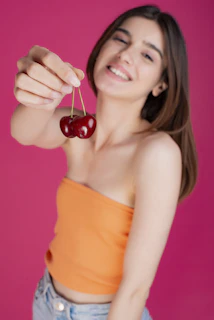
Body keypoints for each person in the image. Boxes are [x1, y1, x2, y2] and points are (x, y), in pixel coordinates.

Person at [10, 4, 198, 320]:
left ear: (161, 85)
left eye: (148, 55)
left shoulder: (157, 153)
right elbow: (23, 132)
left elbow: (136, 286)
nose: (125, 55)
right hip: (45, 301)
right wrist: (41, 90)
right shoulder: (77, 128)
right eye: (120, 40)